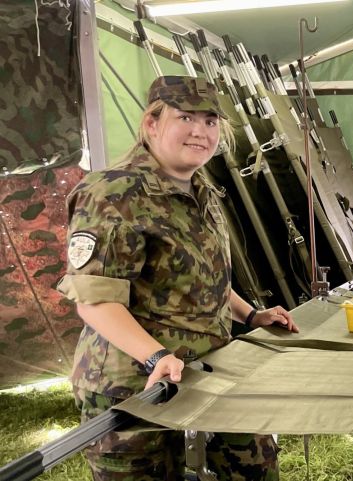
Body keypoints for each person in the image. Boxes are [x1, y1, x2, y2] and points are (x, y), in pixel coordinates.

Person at [57, 75, 298, 481]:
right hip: (132, 386)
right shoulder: (112, 193)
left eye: (209, 121)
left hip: (207, 369)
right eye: (185, 117)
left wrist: (251, 315)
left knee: (256, 466)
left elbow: (205, 278)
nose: (200, 131)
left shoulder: (202, 188)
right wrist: (155, 355)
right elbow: (95, 300)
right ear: (152, 122)